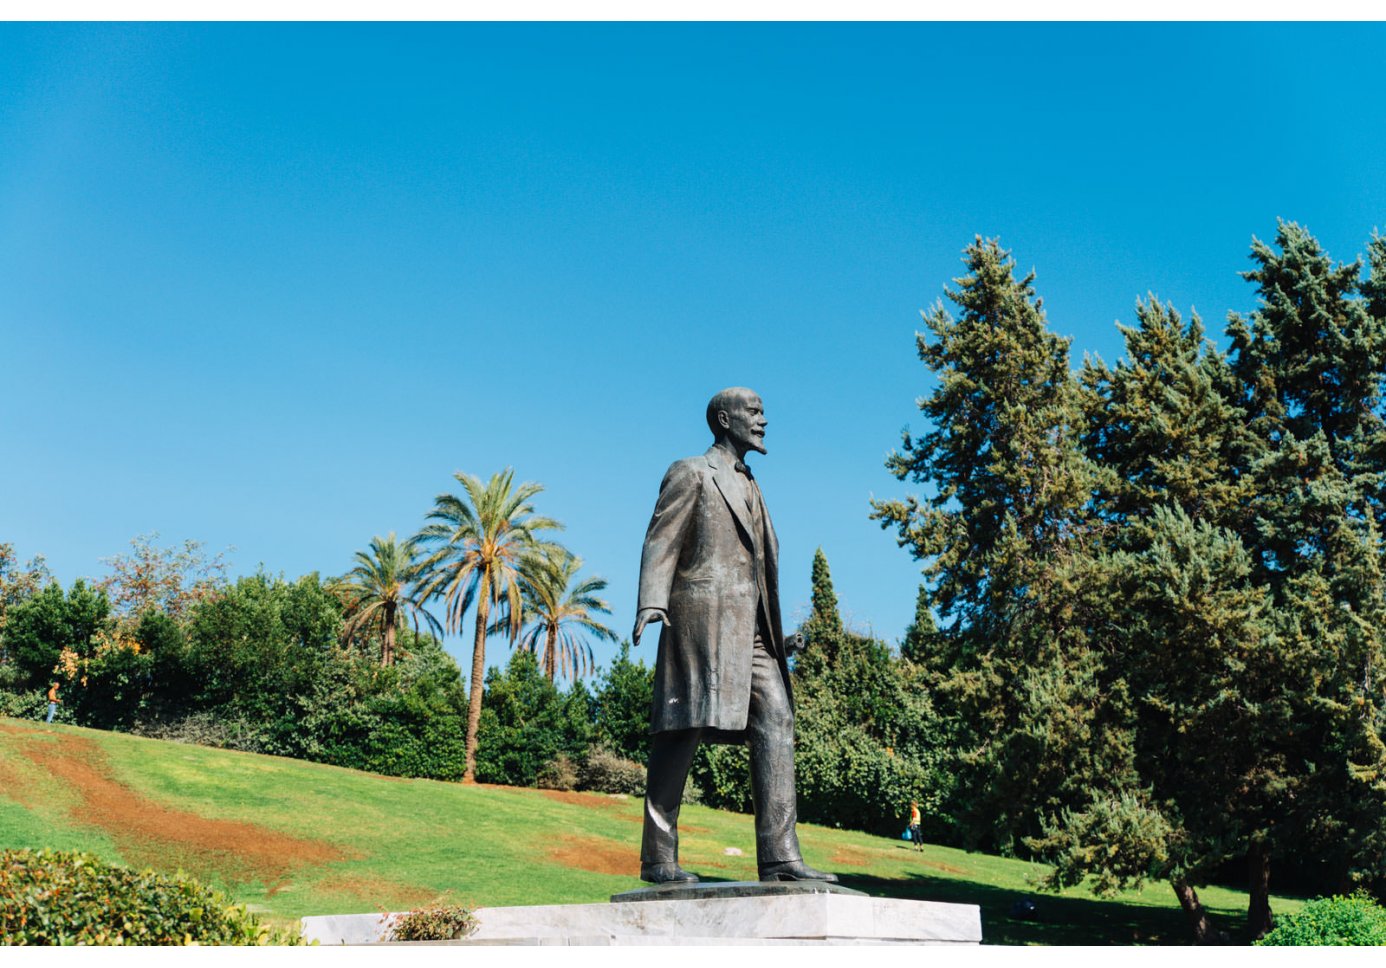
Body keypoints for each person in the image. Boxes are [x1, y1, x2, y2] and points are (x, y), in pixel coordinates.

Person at [633, 386, 836, 885]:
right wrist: (652, 602)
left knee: (777, 720)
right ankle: (659, 858)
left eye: (763, 411)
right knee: (681, 730)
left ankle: (780, 857)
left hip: (755, 633)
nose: (764, 420)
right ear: (725, 419)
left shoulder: (754, 486)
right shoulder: (692, 472)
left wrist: (774, 629)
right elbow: (661, 539)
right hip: (700, 622)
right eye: (754, 412)